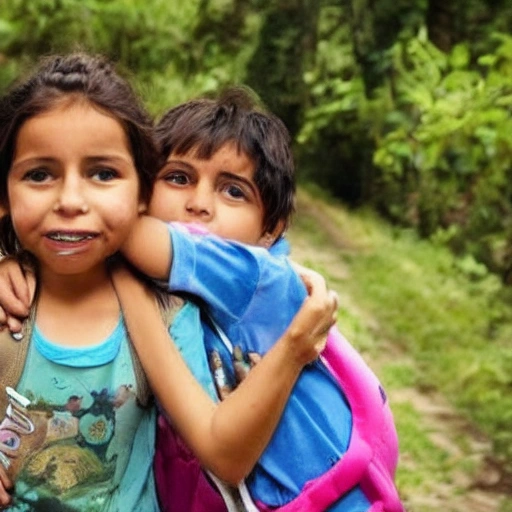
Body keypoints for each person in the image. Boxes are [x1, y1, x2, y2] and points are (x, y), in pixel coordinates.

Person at [0, 54, 337, 511]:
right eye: (40, 174)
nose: (72, 200)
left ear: (141, 194)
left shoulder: (172, 314)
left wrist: (296, 344)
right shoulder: (9, 299)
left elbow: (221, 451)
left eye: (103, 174)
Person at [113, 89, 404, 511]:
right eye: (178, 178)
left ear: (271, 230)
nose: (198, 204)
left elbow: (117, 228)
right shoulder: (159, 290)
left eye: (233, 191)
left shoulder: (255, 276)